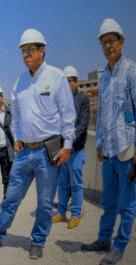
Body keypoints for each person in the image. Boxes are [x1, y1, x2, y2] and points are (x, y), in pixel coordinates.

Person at [0, 29, 75, 260]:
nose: (26, 54)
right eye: (23, 50)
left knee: (44, 203)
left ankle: (37, 241)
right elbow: (17, 117)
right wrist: (18, 137)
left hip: (48, 153)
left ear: (42, 50)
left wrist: (68, 145)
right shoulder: (20, 81)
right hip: (24, 154)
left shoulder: (56, 77)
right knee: (11, 198)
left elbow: (68, 116)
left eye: (30, 49)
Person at [81, 19, 136, 265]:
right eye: (104, 42)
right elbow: (101, 114)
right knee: (108, 201)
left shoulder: (132, 70)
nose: (109, 46)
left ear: (121, 42)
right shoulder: (105, 77)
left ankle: (119, 246)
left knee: (127, 203)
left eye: (112, 40)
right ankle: (104, 240)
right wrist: (99, 143)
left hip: (127, 150)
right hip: (109, 152)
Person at [53, 66, 90, 229]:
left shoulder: (83, 100)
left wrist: (69, 143)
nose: (70, 83)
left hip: (76, 150)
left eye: (73, 80)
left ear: (77, 82)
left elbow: (82, 125)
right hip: (61, 151)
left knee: (76, 184)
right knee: (62, 184)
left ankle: (75, 214)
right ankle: (61, 213)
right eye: (67, 81)